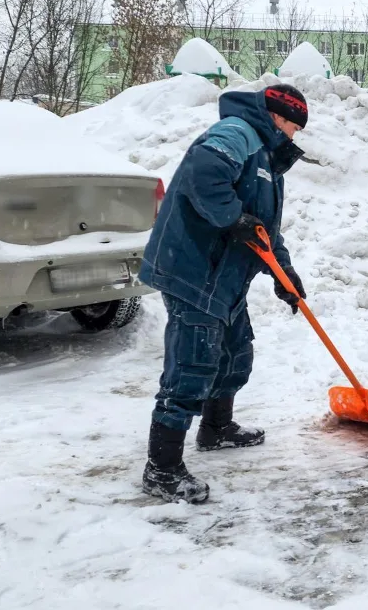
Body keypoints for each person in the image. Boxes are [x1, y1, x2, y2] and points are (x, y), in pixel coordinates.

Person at [138, 83, 310, 504]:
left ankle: (216, 429)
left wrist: (283, 273)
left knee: (235, 353)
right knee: (192, 364)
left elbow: (263, 230)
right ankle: (161, 469)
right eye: (295, 125)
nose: (295, 135)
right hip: (195, 270)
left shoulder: (266, 157)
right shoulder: (237, 133)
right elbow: (204, 174)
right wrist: (233, 219)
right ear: (279, 117)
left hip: (224, 278)